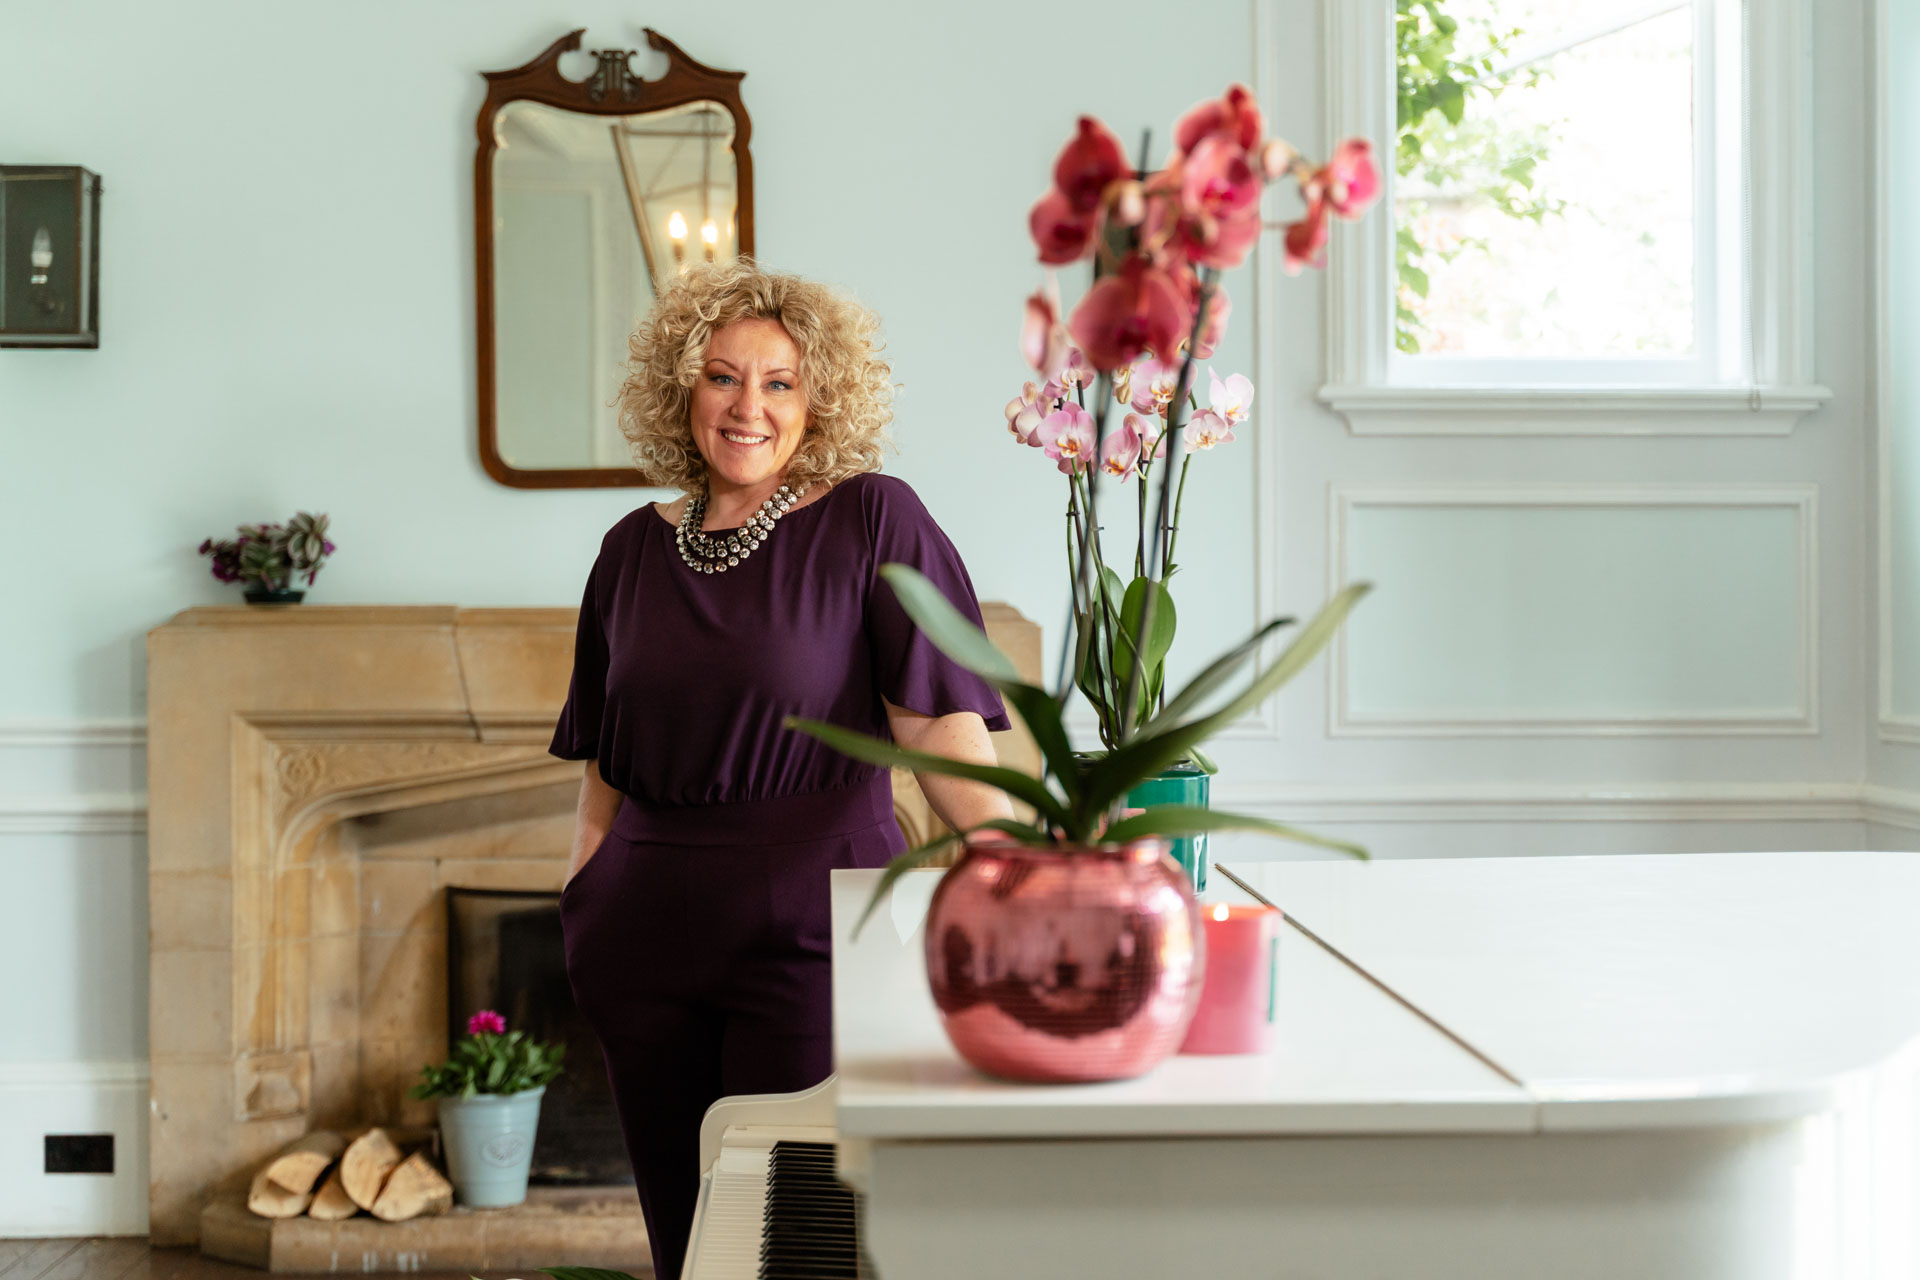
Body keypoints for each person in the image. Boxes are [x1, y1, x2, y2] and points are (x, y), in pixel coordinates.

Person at [550, 258, 1015, 1279]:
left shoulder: (871, 519)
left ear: (821, 399)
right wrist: (585, 894)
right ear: (683, 389)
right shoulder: (629, 550)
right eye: (722, 376)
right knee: (687, 1242)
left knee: (798, 1233)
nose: (746, 405)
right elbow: (604, 762)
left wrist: (1026, 879)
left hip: (812, 924)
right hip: (641, 930)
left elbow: (939, 728)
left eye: (779, 381)